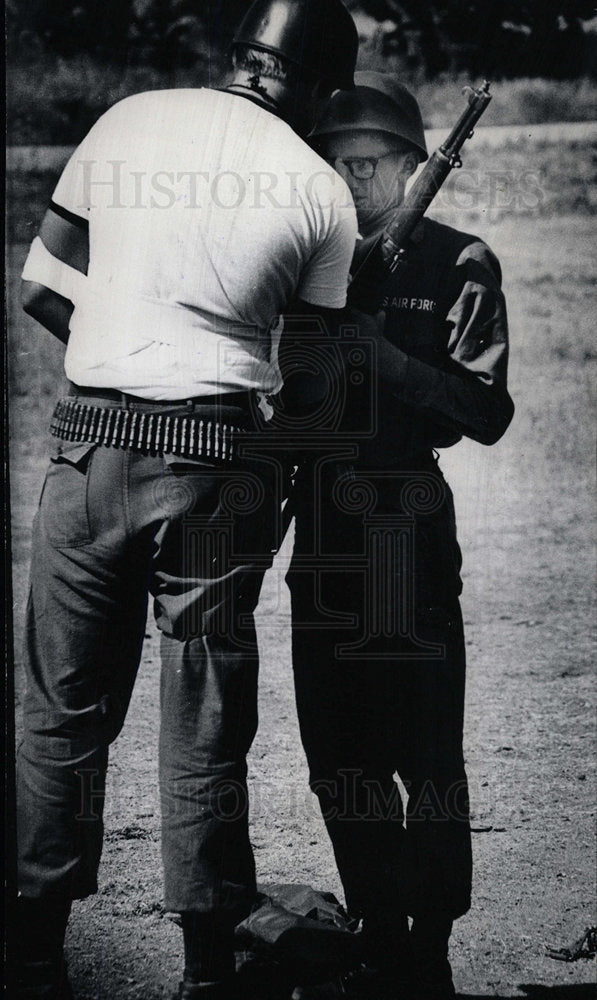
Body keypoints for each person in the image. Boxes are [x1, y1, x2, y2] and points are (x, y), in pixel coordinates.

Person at [15, 3, 359, 998]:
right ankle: (209, 967)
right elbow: (310, 380)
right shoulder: (319, 188)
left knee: (60, 716)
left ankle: (34, 954)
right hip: (216, 463)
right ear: (324, 88)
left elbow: (41, 285)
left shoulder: (127, 120)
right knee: (204, 718)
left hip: (90, 448)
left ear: (243, 55)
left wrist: (130, 353)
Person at [288, 73, 514, 1000]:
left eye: (368, 166)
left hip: (405, 522)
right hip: (323, 525)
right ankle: (376, 926)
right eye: (333, 167)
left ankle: (428, 938)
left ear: (416, 166)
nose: (349, 184)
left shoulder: (458, 262)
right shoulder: (309, 268)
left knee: (424, 752)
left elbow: (483, 409)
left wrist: (379, 355)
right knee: (336, 750)